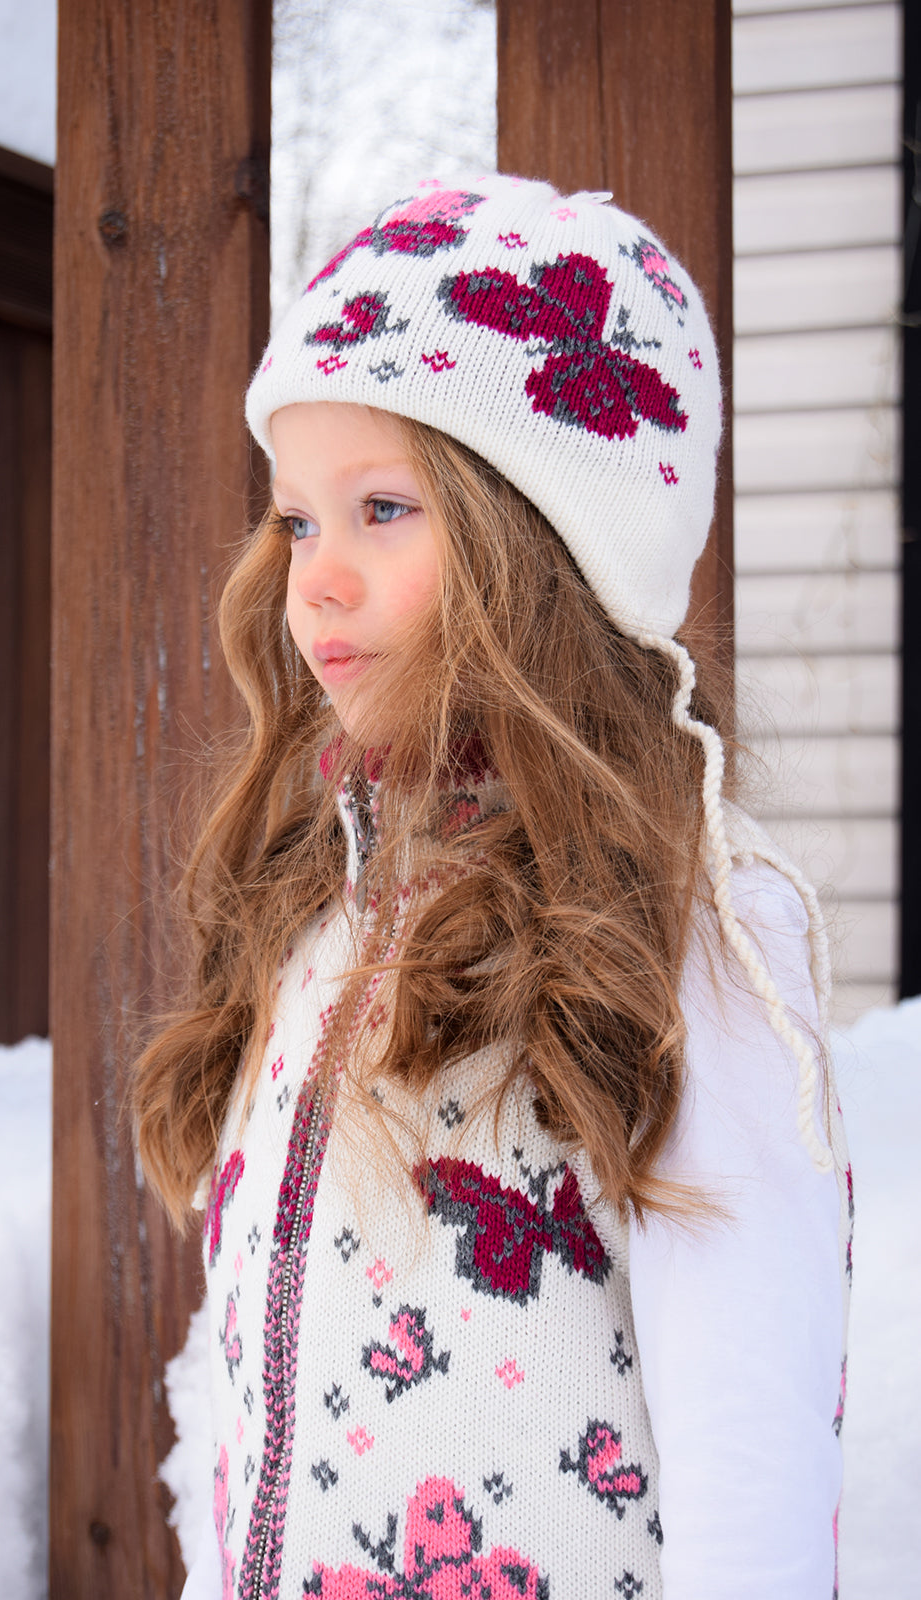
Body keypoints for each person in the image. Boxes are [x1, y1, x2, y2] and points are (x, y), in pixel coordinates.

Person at [132, 176, 851, 1600]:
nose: (314, 579)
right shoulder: (319, 909)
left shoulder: (695, 924)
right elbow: (249, 1393)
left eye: (383, 509)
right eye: (294, 521)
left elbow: (755, 1441)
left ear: (549, 552)